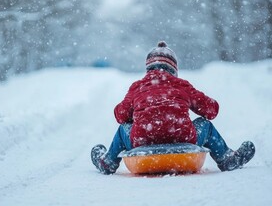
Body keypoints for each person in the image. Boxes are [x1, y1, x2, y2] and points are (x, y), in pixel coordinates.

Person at [91, 41, 255, 174]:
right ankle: (227, 159)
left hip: (143, 139)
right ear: (174, 69)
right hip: (182, 137)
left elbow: (120, 115)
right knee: (205, 124)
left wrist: (140, 113)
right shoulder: (181, 85)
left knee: (123, 128)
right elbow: (211, 111)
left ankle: (108, 163)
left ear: (148, 68)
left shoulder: (137, 87)